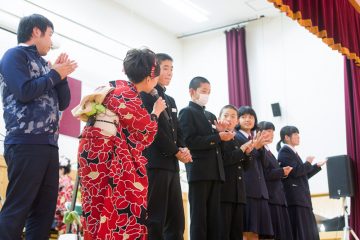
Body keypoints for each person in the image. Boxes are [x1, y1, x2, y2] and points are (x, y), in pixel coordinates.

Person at [0, 14, 77, 240]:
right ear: (36, 32)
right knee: (18, 208)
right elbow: (24, 91)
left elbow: (63, 102)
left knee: (44, 212)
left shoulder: (45, 64)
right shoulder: (14, 55)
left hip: (49, 145)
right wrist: (54, 74)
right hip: (25, 142)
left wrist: (60, 76)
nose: (51, 42)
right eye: (49, 35)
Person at [77, 48, 166, 240]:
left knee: (95, 207)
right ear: (150, 78)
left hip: (91, 150)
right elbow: (147, 132)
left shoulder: (112, 88)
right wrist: (156, 111)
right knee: (117, 207)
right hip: (107, 153)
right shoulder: (127, 96)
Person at [140, 53, 192, 240]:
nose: (170, 73)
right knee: (155, 218)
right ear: (154, 70)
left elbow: (177, 130)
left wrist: (183, 148)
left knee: (177, 219)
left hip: (172, 165)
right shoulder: (145, 95)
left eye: (172, 69)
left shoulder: (170, 100)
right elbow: (156, 133)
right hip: (155, 164)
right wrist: (176, 151)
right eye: (165, 68)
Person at [178, 76, 234, 240]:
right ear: (192, 92)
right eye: (203, 91)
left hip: (216, 172)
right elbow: (189, 141)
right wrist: (217, 137)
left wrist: (220, 134)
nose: (206, 95)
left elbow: (218, 146)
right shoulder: (186, 112)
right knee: (199, 218)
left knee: (214, 220)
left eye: (209, 92)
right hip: (199, 172)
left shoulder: (210, 115)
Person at [276, 126, 326, 240]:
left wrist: (316, 167)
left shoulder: (292, 152)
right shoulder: (284, 152)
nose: (298, 137)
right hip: (295, 198)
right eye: (295, 134)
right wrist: (308, 163)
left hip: (302, 198)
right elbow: (295, 172)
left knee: (308, 231)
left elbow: (303, 175)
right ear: (287, 137)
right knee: (301, 231)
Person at [235, 106, 273, 240]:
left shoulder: (255, 138)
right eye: (244, 117)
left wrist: (261, 148)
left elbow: (265, 164)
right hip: (247, 189)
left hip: (261, 191)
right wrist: (254, 146)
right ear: (238, 120)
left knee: (260, 232)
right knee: (247, 231)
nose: (247, 120)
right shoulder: (236, 137)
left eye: (251, 117)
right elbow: (240, 160)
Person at [218, 105, 252, 240]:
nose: (229, 119)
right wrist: (241, 151)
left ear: (237, 121)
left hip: (239, 194)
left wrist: (247, 154)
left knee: (237, 233)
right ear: (219, 118)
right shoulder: (218, 137)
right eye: (226, 115)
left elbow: (245, 167)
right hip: (224, 192)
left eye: (233, 116)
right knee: (223, 232)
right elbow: (224, 160)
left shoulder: (238, 139)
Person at [258, 121, 293, 240]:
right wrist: (281, 172)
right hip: (271, 197)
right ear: (259, 132)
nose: (271, 134)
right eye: (268, 131)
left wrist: (283, 173)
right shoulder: (260, 150)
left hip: (279, 197)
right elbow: (264, 174)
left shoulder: (269, 151)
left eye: (272, 132)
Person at [53, 156, 74, 234]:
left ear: (62, 169)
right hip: (67, 213)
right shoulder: (69, 180)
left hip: (59, 214)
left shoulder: (60, 181)